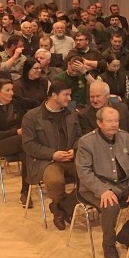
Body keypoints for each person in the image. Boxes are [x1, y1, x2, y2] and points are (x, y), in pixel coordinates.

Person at [75, 106, 129, 258]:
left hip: (123, 185)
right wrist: (102, 190)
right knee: (110, 206)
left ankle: (127, 234)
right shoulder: (86, 142)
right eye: (109, 121)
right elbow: (84, 172)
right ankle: (108, 244)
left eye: (116, 121)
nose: (114, 124)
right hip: (94, 187)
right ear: (99, 122)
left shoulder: (126, 138)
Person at [21, 80, 82, 230]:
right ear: (54, 95)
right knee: (55, 180)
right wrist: (52, 154)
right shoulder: (32, 116)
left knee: (89, 175)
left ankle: (62, 207)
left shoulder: (71, 113)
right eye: (66, 95)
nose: (69, 98)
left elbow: (79, 136)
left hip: (70, 158)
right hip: (45, 161)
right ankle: (60, 210)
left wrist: (75, 149)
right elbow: (28, 145)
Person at [0, 78, 33, 206]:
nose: (11, 93)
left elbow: (35, 104)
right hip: (1, 143)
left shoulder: (16, 103)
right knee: (26, 142)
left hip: (19, 142)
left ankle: (25, 192)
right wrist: (15, 132)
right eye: (7, 90)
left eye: (12, 89)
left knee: (26, 152)